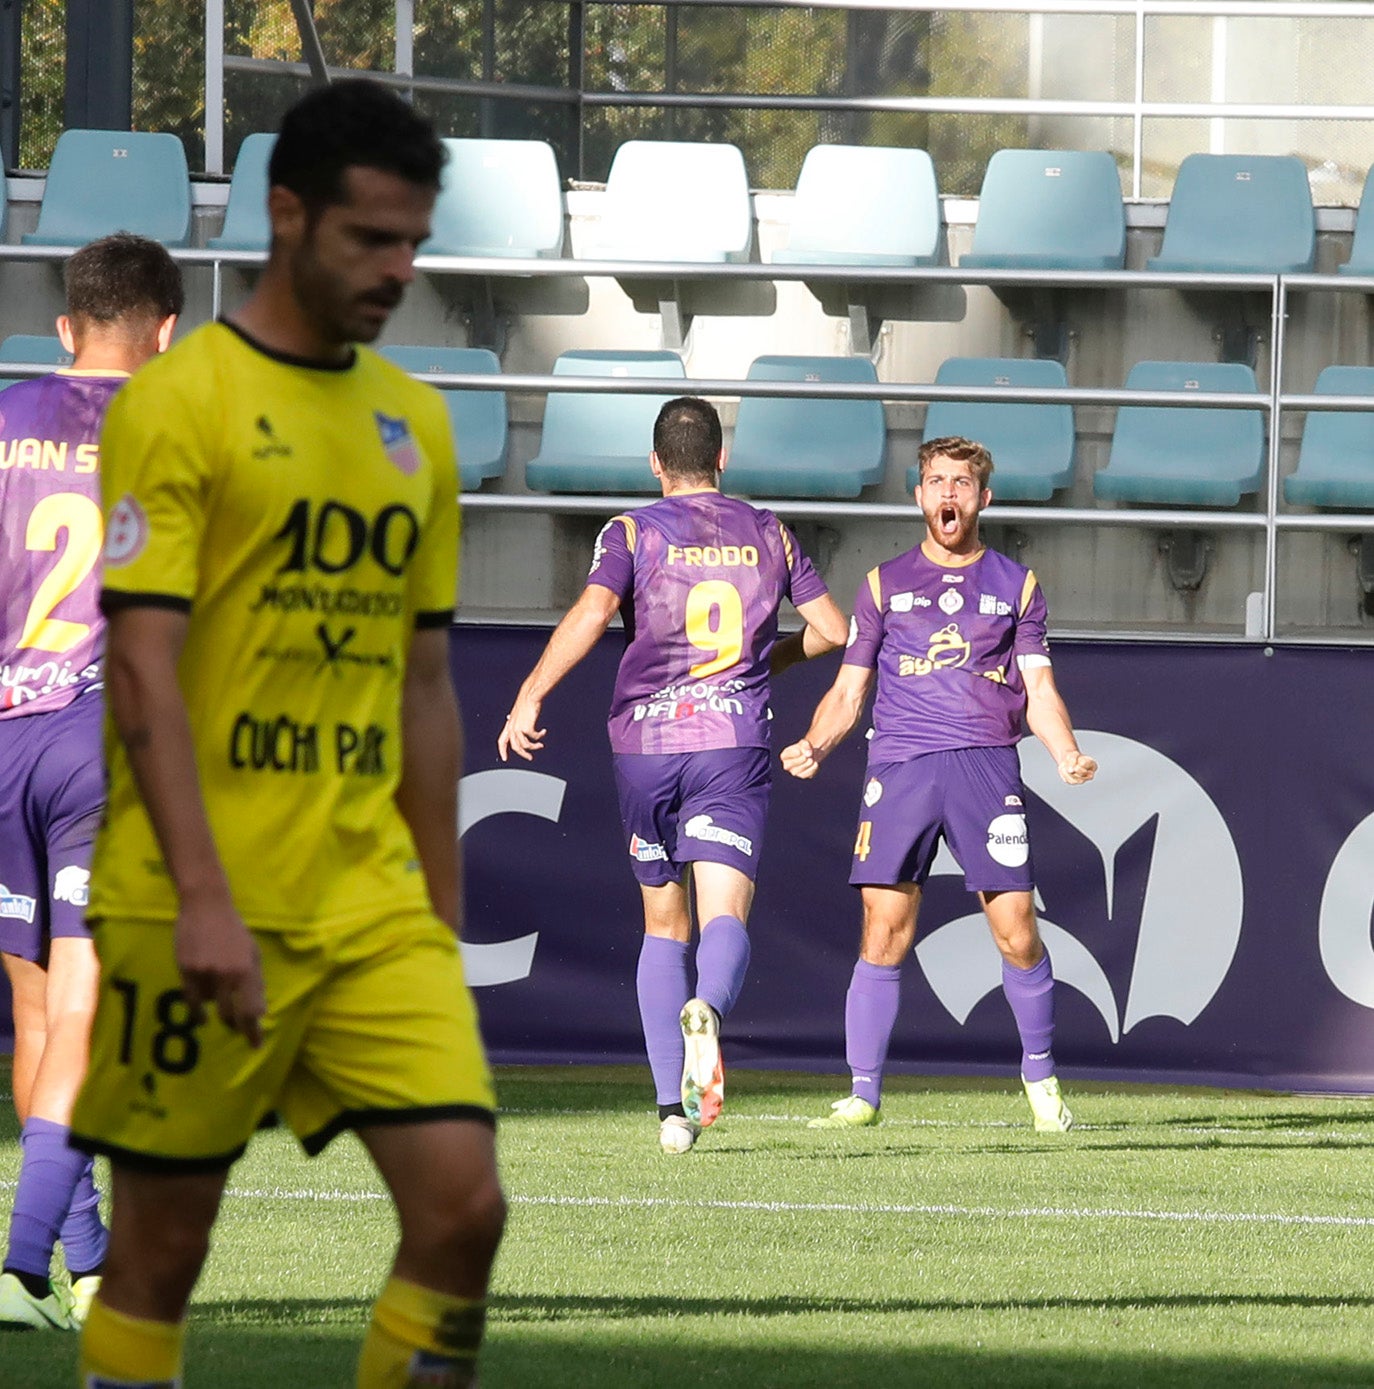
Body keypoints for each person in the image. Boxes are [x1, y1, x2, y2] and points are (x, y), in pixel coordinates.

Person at [67, 79, 504, 1389]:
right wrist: (202, 895)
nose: (397, 269)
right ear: (286, 213)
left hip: (365, 903)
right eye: (371, 238)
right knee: (159, 1253)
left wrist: (438, 911)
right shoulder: (178, 401)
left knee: (463, 1210)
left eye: (414, 241)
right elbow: (141, 666)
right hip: (187, 897)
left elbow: (426, 686)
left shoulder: (413, 424)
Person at [499, 396, 848, 1154]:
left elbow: (593, 614)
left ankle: (671, 1111)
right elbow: (835, 631)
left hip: (645, 746)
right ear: (722, 459)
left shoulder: (631, 530)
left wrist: (529, 693)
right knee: (724, 913)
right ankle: (709, 1014)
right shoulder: (767, 529)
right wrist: (768, 661)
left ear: (655, 463)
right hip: (730, 739)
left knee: (663, 922)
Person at [781, 436, 1097, 1133]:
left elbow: (1038, 688)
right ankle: (863, 1093)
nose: (947, 493)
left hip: (985, 764)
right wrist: (815, 743)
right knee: (883, 928)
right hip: (902, 765)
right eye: (934, 481)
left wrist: (1064, 750)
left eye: (961, 483)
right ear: (918, 495)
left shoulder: (1017, 585)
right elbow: (849, 687)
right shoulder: (883, 584)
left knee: (1016, 931)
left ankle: (1042, 1083)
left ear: (984, 497)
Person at [0, 234, 183, 1332]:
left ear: (66, 328)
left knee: (35, 1014)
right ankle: (23, 1266)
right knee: (87, 1011)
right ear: (167, 332)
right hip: (102, 741)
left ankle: (91, 1267)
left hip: (2, 737)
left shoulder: (3, 420)